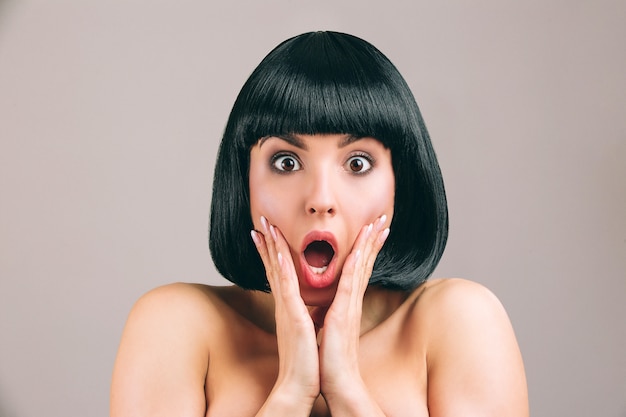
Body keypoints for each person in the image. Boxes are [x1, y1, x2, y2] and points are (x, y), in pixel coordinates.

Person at [110, 31, 529, 416]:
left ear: (403, 182)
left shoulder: (460, 321)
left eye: (358, 163)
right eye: (286, 162)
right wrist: (292, 391)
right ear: (244, 181)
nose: (321, 200)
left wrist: (346, 387)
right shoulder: (176, 325)